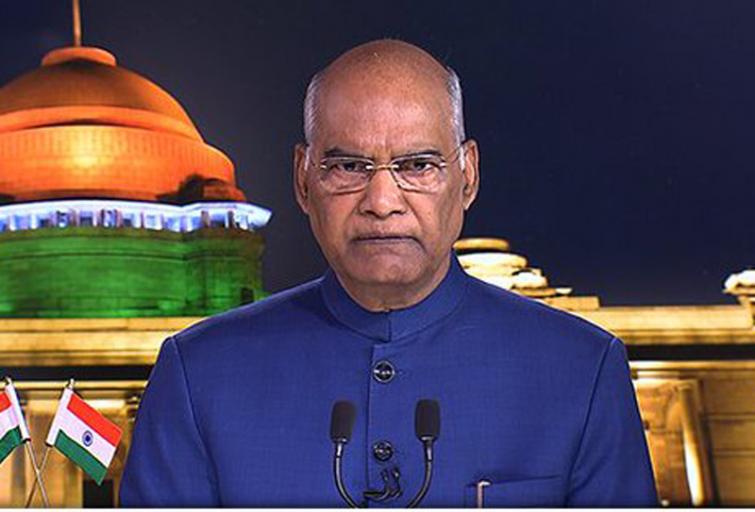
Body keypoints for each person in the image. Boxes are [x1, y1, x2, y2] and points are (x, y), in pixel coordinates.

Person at [120, 39, 658, 507]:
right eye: (348, 167)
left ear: (467, 177)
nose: (382, 202)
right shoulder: (199, 377)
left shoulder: (581, 373)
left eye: (417, 166)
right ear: (303, 181)